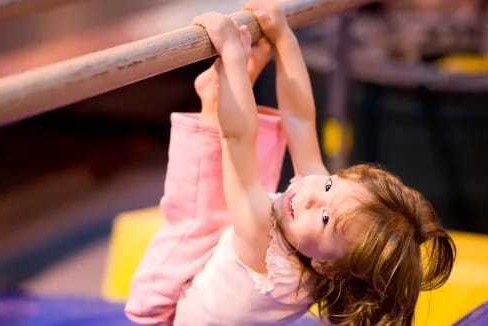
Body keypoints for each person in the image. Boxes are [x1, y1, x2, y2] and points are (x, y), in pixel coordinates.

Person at [126, 1, 456, 325]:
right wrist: (285, 38)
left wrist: (233, 57)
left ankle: (218, 97)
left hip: (164, 313)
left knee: (199, 213)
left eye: (326, 218)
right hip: (215, 276)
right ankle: (216, 97)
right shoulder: (326, 245)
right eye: (329, 184)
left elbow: (238, 139)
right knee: (251, 192)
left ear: (326, 266)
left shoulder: (262, 249)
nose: (313, 197)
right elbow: (299, 119)